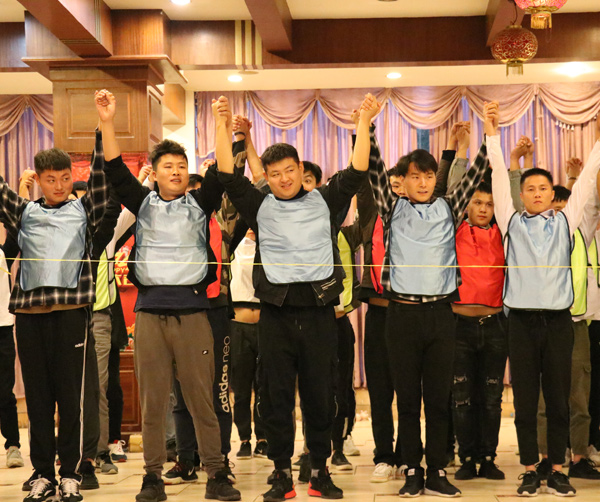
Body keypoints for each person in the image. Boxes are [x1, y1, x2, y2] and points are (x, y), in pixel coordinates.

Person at [213, 93, 376, 501]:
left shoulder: (325, 200)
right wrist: (222, 126)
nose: (284, 179)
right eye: (275, 173)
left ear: (301, 170)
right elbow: (227, 175)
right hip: (277, 314)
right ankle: (281, 473)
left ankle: (319, 470)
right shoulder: (259, 205)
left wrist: (363, 123)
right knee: (277, 397)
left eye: (290, 170)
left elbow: (357, 170)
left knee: (321, 395)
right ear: (266, 177)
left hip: (320, 312)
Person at [100, 90, 240, 502]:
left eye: (181, 166)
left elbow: (224, 172)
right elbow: (114, 169)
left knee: (202, 400)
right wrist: (107, 122)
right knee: (154, 403)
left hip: (194, 313)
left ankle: (216, 473)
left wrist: (221, 125)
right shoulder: (142, 203)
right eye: (168, 166)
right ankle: (152, 478)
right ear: (156, 173)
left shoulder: (200, 203)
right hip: (149, 315)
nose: (176, 171)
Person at [363, 96, 490, 498]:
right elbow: (374, 169)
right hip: (401, 316)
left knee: (438, 398)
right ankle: (411, 469)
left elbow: (477, 172)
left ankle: (436, 470)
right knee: (407, 399)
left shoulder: (449, 207)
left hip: (439, 315)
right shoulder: (392, 208)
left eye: (429, 176)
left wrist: (491, 133)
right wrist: (368, 125)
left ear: (436, 178)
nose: (422, 183)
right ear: (405, 180)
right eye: (415, 176)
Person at [0, 90, 110, 502]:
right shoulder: (23, 211)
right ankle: (42, 474)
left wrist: (103, 127)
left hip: (71, 316)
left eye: (65, 178)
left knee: (72, 398)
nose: (60, 185)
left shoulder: (85, 210)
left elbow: (100, 178)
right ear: (39, 179)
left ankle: (71, 474)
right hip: (30, 318)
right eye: (51, 179)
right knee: (38, 399)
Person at [489, 103, 600, 497]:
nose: (537, 194)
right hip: (520, 322)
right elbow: (498, 177)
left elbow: (588, 179)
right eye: (530, 189)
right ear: (521, 195)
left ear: (553, 195)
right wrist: (491, 133)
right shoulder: (511, 222)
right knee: (524, 401)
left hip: (558, 323)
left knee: (557, 399)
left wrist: (598, 140)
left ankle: (556, 469)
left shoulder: (566, 222)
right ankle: (529, 469)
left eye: (543, 189)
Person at [536, 176, 600, 481]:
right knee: (544, 398)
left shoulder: (581, 235)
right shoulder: (538, 235)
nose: (563, 215)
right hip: (546, 324)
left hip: (575, 324)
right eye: (557, 209)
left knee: (579, 398)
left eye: (567, 209)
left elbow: (592, 201)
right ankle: (547, 458)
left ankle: (579, 458)